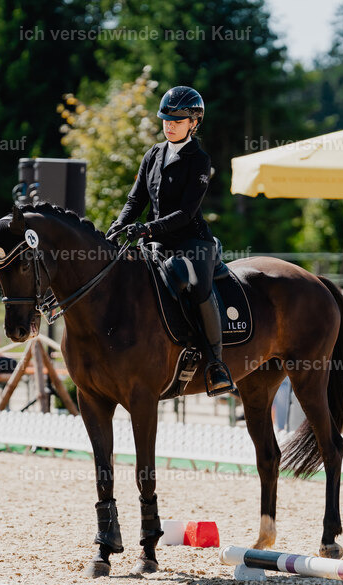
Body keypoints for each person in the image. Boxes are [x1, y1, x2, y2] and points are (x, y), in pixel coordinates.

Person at [106, 85, 233, 397]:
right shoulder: (153, 154)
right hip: (157, 241)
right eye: (166, 120)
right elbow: (135, 200)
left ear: (193, 123)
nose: (169, 126)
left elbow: (186, 213)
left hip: (192, 242)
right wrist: (116, 227)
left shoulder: (199, 160)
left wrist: (147, 229)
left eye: (177, 121)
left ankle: (216, 363)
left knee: (197, 288)